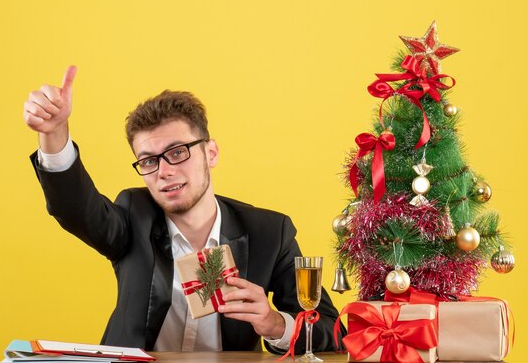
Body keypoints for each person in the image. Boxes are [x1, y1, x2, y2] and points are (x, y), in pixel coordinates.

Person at [24, 66, 343, 353]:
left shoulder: (269, 233)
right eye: (149, 160)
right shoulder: (134, 216)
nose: (164, 171)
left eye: (177, 153)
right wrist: (54, 134)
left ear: (211, 153)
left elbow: (333, 331)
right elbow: (77, 209)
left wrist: (275, 323)